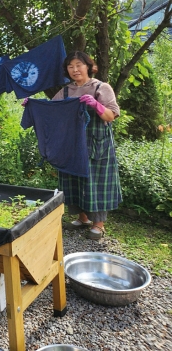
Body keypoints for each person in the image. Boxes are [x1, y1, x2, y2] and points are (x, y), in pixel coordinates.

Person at [52, 51, 121, 240]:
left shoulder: (101, 87)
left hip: (96, 142)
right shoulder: (66, 91)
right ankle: (83, 218)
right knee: (75, 179)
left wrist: (95, 104)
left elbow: (111, 116)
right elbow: (51, 111)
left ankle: (99, 224)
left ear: (88, 67)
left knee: (96, 181)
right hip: (73, 143)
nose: (75, 70)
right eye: (70, 66)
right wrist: (33, 105)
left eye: (78, 65)